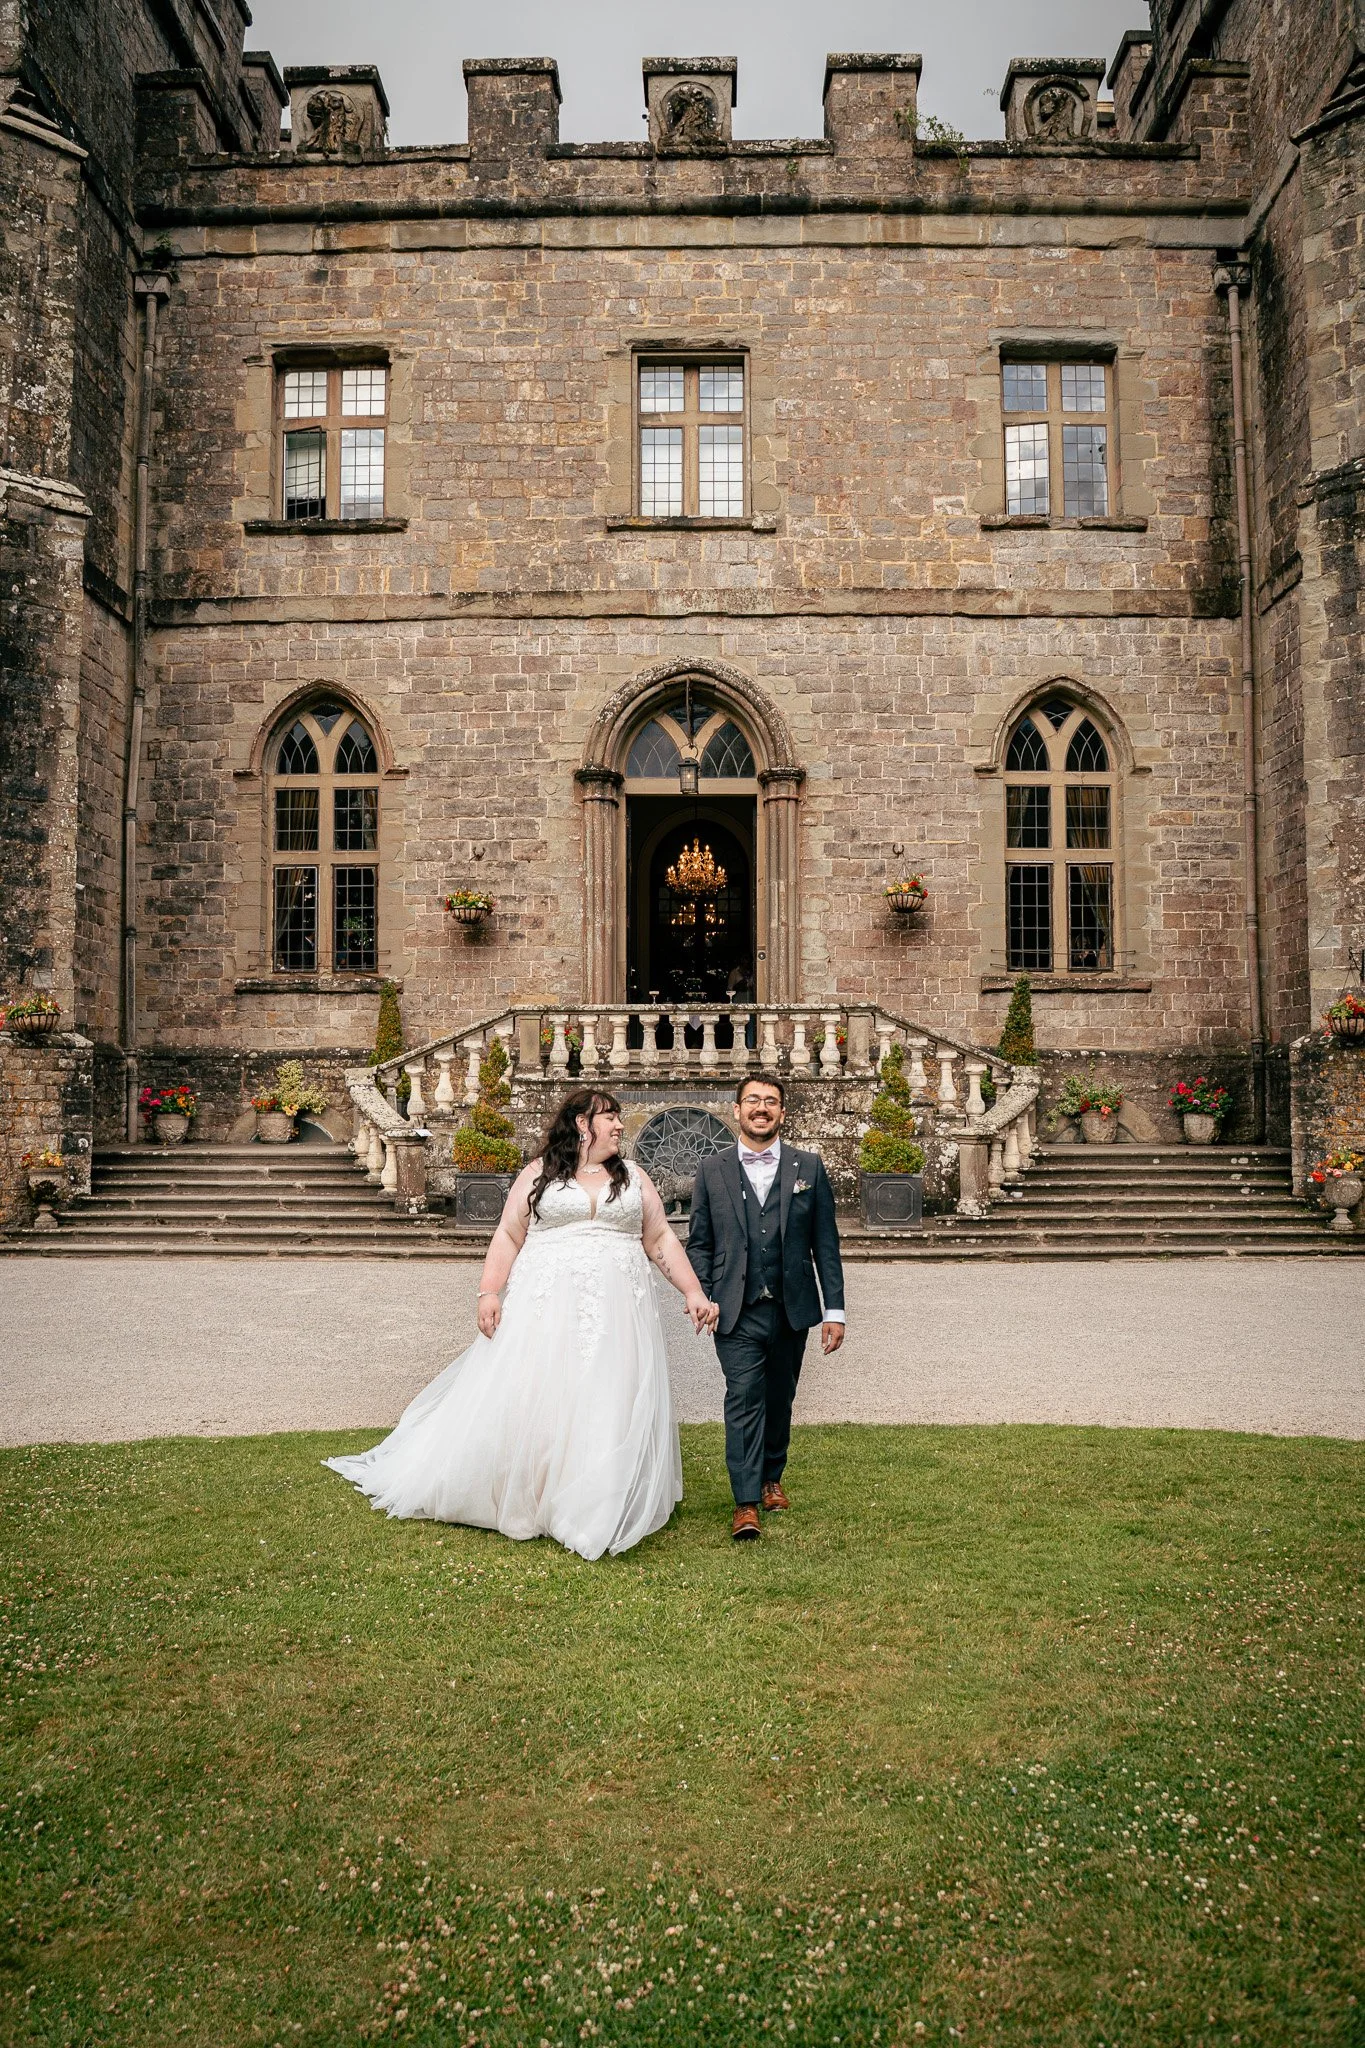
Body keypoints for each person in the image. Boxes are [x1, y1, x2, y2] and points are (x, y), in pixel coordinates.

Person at [325, 1089, 718, 1560]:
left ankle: (596, 1498)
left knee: (608, 1392)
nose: (619, 1126)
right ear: (581, 1124)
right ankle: (532, 1492)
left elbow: (659, 1239)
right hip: (546, 1308)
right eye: (610, 1118)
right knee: (543, 1391)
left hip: (619, 1312)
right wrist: (489, 1292)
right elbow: (509, 1233)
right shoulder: (539, 1174)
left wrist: (693, 1291)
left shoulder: (633, 1177)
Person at [686, 1074, 845, 1541]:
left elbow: (825, 1244)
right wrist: (703, 1294)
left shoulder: (808, 1167)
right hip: (734, 1308)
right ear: (737, 1110)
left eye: (771, 1101)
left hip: (792, 1306)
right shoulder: (711, 1169)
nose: (762, 1108)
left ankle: (772, 1476)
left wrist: (834, 1311)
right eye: (753, 1100)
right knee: (743, 1397)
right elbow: (700, 1242)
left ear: (782, 1112)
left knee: (779, 1397)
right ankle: (746, 1502)